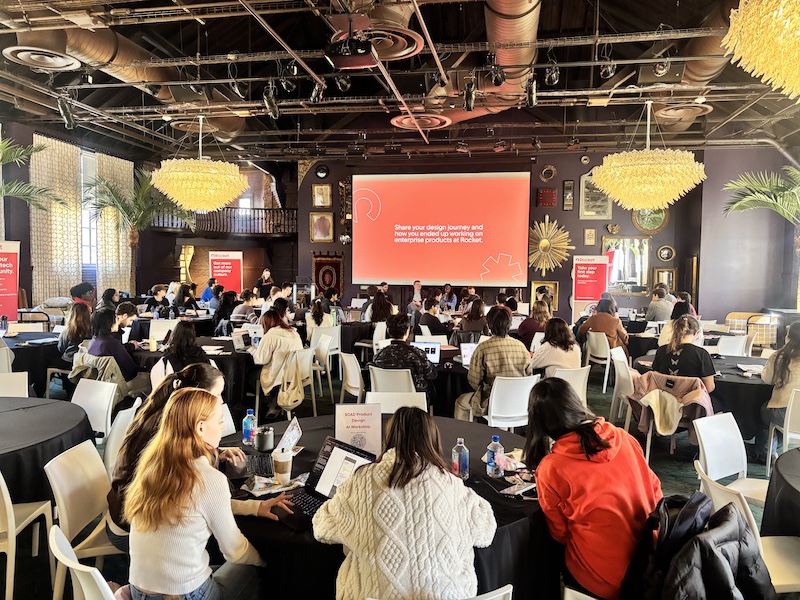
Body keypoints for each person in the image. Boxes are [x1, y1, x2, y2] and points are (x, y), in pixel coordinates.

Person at [313, 407, 497, 600]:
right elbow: (486, 531)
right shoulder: (450, 483)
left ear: (389, 437)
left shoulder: (361, 481)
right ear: (432, 440)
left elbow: (321, 527)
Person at [125, 387, 286, 600]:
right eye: (219, 421)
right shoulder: (208, 479)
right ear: (200, 428)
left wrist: (254, 507)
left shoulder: (153, 466)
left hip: (139, 591)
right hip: (183, 594)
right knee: (254, 568)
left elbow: (199, 505)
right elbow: (235, 551)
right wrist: (268, 561)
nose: (222, 427)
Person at [524, 379, 662, 599]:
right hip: (651, 562)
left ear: (538, 422)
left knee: (543, 554)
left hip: (600, 577)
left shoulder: (552, 468)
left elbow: (559, 534)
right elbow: (656, 489)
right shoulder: (623, 437)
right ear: (576, 404)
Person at [455, 307, 533, 421]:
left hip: (492, 401)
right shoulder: (521, 347)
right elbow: (528, 376)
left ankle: (465, 436)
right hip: (518, 402)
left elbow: (474, 381)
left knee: (460, 403)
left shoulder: (483, 348)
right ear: (510, 324)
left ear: (489, 325)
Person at [754, 321, 800, 464]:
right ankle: (771, 448)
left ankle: (766, 452)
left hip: (783, 413)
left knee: (763, 410)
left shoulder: (780, 357)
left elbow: (767, 379)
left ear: (789, 338)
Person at [248, 309, 303, 418]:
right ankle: (274, 400)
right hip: (295, 374)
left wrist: (252, 349)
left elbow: (261, 360)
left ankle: (268, 400)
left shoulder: (270, 335)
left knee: (249, 376)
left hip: (278, 376)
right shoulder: (293, 332)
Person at [372, 314, 437, 403]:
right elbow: (432, 374)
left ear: (388, 331)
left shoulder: (379, 355)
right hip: (415, 400)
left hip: (385, 398)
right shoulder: (416, 354)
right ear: (407, 331)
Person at [87, 308, 150, 395]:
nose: (118, 322)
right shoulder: (112, 343)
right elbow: (130, 369)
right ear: (109, 323)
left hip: (101, 383)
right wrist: (147, 369)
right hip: (119, 384)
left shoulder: (93, 341)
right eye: (116, 319)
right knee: (152, 378)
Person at [652, 314, 715, 393]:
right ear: (696, 333)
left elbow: (655, 379)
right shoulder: (701, 354)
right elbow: (709, 387)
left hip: (664, 401)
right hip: (690, 402)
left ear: (675, 330)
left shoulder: (661, 351)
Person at [57, 303, 91, 367]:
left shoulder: (68, 330)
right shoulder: (92, 330)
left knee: (49, 361)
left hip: (69, 361)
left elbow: (61, 348)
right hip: (86, 362)